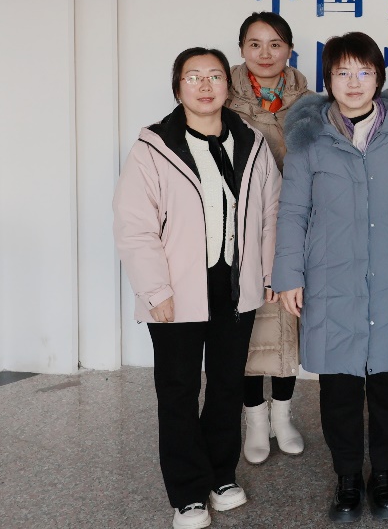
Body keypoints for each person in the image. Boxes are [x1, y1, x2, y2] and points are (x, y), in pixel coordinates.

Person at [114, 47, 280, 529]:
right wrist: (155, 290)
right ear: (178, 87)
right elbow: (134, 225)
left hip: (235, 286)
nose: (205, 86)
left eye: (214, 76)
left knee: (227, 384)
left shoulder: (251, 141)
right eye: (193, 77)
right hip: (176, 288)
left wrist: (269, 271)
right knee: (179, 390)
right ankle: (188, 492)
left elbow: (272, 211)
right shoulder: (153, 147)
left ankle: (221, 475)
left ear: (228, 85)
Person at [273, 32, 388, 523]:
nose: (354, 82)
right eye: (343, 72)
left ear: (379, 77)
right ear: (329, 80)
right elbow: (293, 210)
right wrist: (288, 274)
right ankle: (346, 477)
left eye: (364, 71)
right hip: (330, 278)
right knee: (339, 388)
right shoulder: (308, 138)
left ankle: (384, 473)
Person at [226, 11, 310, 465]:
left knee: (286, 323)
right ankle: (254, 421)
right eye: (254, 44)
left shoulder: (310, 102)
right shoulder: (222, 97)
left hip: (294, 227)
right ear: (241, 48)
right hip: (239, 232)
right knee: (244, 325)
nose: (265, 53)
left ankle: (283, 415)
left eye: (275, 44)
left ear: (289, 50)